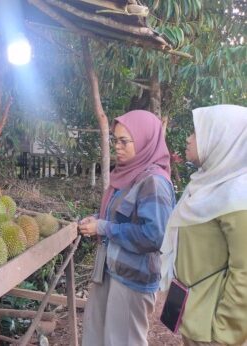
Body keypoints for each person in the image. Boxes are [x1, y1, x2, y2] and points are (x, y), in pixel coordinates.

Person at [79, 110, 176, 346]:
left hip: (134, 278)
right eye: (115, 140)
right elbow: (120, 216)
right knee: (99, 337)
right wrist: (95, 218)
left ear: (144, 141)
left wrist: (103, 227)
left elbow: (154, 236)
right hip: (113, 269)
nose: (117, 147)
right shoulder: (128, 175)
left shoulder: (154, 182)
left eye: (124, 141)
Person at [160, 104, 247, 346]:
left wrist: (226, 333)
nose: (188, 139)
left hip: (213, 332)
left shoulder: (237, 197)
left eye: (196, 132)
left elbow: (245, 271)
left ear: (222, 138)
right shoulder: (204, 186)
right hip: (194, 316)